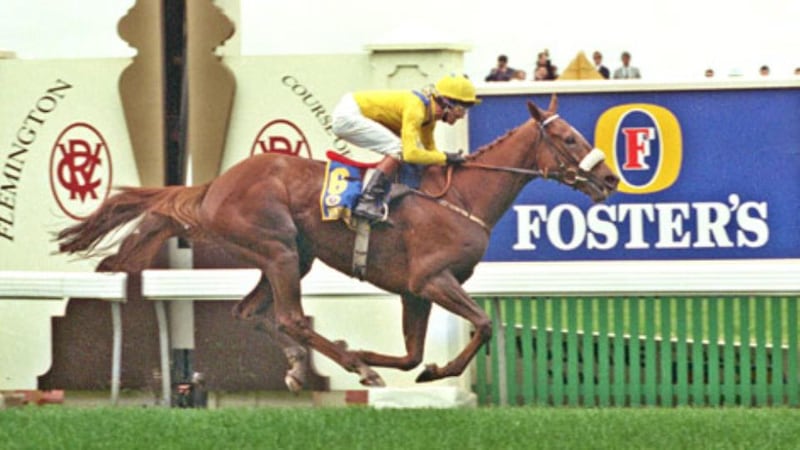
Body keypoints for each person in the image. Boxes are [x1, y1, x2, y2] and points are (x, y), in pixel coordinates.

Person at [331, 74, 480, 221]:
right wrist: (445, 157)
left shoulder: (429, 117)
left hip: (353, 110)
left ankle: (393, 191)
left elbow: (430, 152)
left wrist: (448, 161)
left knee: (409, 151)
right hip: (348, 116)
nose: (462, 116)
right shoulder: (416, 108)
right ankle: (367, 201)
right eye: (461, 110)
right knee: (399, 149)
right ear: (446, 104)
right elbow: (410, 154)